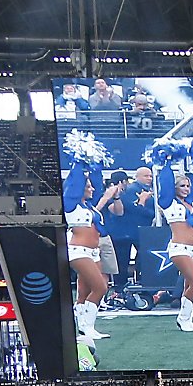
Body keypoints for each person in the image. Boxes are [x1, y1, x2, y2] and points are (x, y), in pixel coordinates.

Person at [61, 132, 127, 344]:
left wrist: (95, 163)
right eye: (87, 186)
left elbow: (95, 181)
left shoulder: (88, 206)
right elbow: (75, 182)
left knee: (85, 291)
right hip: (78, 252)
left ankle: (81, 325)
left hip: (93, 252)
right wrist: (80, 161)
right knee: (100, 287)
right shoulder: (70, 205)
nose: (91, 189)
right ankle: (87, 327)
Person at [156, 147, 193, 332]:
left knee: (192, 284)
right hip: (180, 248)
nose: (187, 189)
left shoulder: (192, 203)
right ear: (174, 188)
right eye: (182, 186)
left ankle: (187, 318)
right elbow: (165, 182)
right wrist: (167, 162)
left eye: (188, 186)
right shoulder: (168, 202)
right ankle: (183, 318)